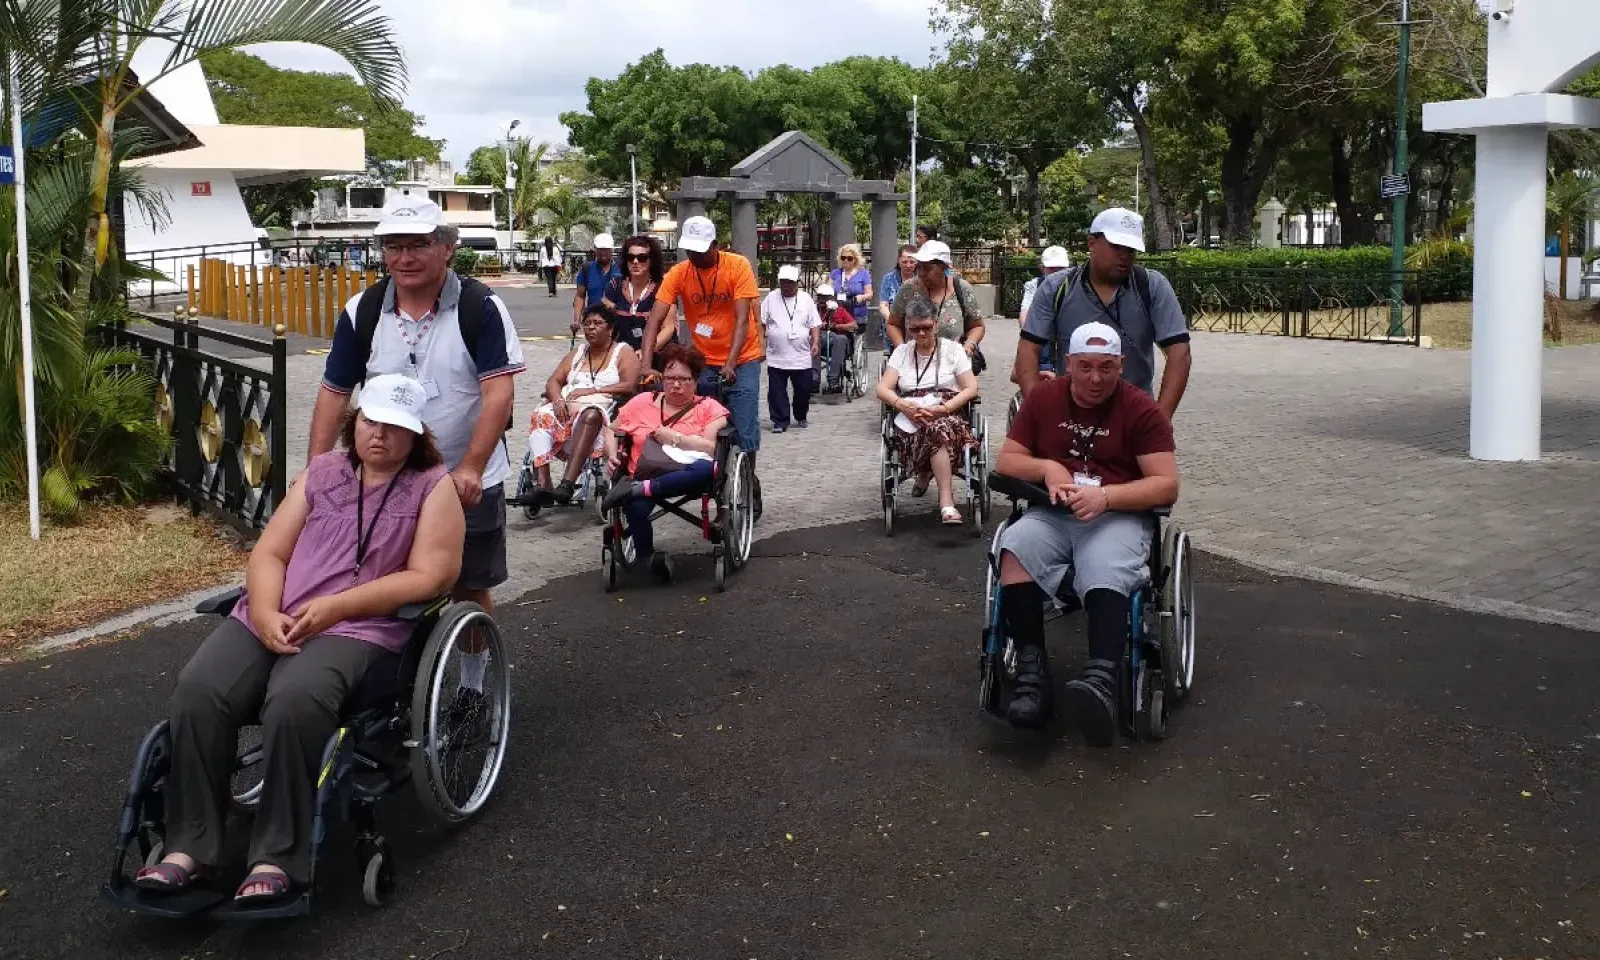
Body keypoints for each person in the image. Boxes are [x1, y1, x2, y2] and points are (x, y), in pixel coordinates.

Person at [136, 375, 467, 904]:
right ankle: (189, 847)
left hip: (357, 624)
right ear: (355, 421)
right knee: (200, 690)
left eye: (394, 426)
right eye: (370, 421)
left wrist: (337, 606)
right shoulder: (323, 472)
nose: (379, 434)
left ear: (415, 433)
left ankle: (276, 856)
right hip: (278, 612)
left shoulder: (432, 486)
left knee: (295, 699)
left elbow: (431, 577)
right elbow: (270, 554)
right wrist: (264, 611)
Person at [309, 197, 524, 679]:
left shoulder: (480, 308)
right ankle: (386, 677)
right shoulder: (363, 311)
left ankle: (473, 681)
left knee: (468, 585)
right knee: (381, 578)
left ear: (447, 247)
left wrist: (471, 467)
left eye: (418, 245)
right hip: (388, 475)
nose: (404, 258)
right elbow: (334, 393)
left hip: (464, 476)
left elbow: (498, 394)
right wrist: (316, 470)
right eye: (393, 246)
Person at [993, 321, 1179, 743]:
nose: (1096, 378)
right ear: (1068, 364)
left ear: (1121, 365)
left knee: (1103, 562)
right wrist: (1048, 467)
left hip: (1117, 514)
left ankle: (1101, 678)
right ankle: (1032, 675)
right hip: (1054, 513)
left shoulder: (1141, 410)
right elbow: (1007, 462)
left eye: (1106, 367)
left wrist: (1107, 498)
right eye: (1086, 367)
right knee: (1016, 545)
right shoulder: (1043, 399)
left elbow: (1166, 485)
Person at [1014, 208, 1192, 420]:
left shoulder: (1152, 286)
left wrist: (1160, 419)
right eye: (1116, 246)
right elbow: (1028, 349)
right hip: (1070, 417)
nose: (1124, 255)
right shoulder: (1056, 288)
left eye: (1131, 249)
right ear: (1092, 243)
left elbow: (1179, 353)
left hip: (1134, 416)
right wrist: (1038, 412)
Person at [637, 215, 763, 515]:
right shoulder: (680, 273)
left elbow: (743, 320)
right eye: (689, 249)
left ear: (715, 245)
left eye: (700, 249)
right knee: (702, 424)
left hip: (741, 358)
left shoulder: (737, 266)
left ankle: (748, 484)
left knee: (744, 428)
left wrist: (730, 363)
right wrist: (646, 364)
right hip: (703, 360)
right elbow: (654, 320)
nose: (694, 255)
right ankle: (713, 482)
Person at [601, 343, 730, 583]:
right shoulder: (642, 402)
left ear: (696, 380)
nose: (676, 385)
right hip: (646, 473)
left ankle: (639, 489)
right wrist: (611, 455)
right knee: (636, 509)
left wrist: (675, 438)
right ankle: (648, 558)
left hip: (687, 476)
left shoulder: (709, 408)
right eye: (670, 379)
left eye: (684, 379)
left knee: (708, 469)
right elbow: (611, 429)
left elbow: (710, 447)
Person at [876, 298, 980, 525]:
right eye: (915, 329)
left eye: (926, 327)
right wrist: (902, 405)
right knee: (929, 427)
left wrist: (944, 409)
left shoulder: (953, 350)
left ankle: (945, 499)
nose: (921, 333)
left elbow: (971, 388)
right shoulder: (901, 352)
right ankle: (940, 493)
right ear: (908, 328)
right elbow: (882, 389)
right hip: (911, 413)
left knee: (937, 428)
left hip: (948, 412)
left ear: (936, 324)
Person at [526, 304, 638, 505]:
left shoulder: (622, 351)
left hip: (601, 410)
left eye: (597, 323)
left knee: (591, 414)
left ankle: (567, 483)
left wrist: (593, 390)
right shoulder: (578, 352)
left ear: (610, 328)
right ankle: (543, 483)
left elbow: (630, 385)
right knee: (541, 414)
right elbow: (553, 381)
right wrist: (557, 399)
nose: (591, 328)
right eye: (587, 324)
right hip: (566, 406)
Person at [885, 240, 987, 363]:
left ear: (943, 267)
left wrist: (969, 345)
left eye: (927, 269)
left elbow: (977, 326)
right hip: (915, 363)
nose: (922, 273)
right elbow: (893, 324)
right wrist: (902, 350)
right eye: (919, 268)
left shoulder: (962, 289)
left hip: (953, 363)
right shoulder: (908, 289)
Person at [761, 264, 821, 432]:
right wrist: (762, 341)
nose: (786, 286)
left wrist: (815, 342)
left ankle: (801, 415)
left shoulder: (806, 299)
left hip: (801, 355)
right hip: (777, 355)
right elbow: (762, 321)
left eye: (790, 282)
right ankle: (780, 421)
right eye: (783, 282)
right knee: (776, 391)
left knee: (804, 389)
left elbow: (814, 323)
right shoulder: (771, 298)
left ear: (796, 283)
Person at [1014, 245, 1072, 385]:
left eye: (1061, 269)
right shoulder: (1034, 285)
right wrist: (1032, 332)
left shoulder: (1075, 284)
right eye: (1052, 269)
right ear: (1042, 268)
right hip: (1043, 338)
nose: (1056, 273)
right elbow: (1025, 314)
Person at [601, 234, 666, 355]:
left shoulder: (663, 287)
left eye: (642, 258)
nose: (635, 262)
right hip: (623, 354)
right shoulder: (615, 285)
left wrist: (646, 351)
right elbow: (605, 321)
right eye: (630, 257)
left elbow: (668, 327)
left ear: (652, 261)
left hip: (656, 354)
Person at [571, 232, 619, 333]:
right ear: (595, 249)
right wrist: (577, 320)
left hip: (618, 321)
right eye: (600, 249)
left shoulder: (622, 269)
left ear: (612, 249)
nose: (603, 252)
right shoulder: (587, 268)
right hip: (594, 322)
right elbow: (580, 296)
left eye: (606, 249)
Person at [816, 282, 859, 392]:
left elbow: (854, 326)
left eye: (824, 297)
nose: (822, 300)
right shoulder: (814, 311)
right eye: (819, 297)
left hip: (839, 339)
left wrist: (838, 326)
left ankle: (833, 380)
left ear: (831, 298)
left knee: (840, 340)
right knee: (814, 340)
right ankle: (814, 379)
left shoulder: (840, 310)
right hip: (821, 338)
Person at [877, 244, 918, 343]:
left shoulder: (922, 278)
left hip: (916, 326)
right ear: (899, 261)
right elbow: (883, 305)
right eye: (904, 262)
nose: (908, 265)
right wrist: (891, 320)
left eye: (912, 262)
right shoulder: (888, 279)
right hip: (895, 325)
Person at [829, 243, 873, 333]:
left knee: (856, 340)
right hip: (839, 316)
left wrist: (862, 297)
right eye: (843, 258)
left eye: (849, 258)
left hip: (857, 315)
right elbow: (828, 291)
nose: (846, 260)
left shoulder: (863, 274)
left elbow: (870, 294)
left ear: (855, 259)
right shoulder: (835, 273)